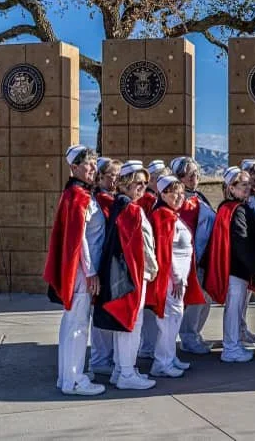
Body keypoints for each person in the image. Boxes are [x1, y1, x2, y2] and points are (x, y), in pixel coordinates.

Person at [42, 145, 106, 396]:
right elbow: (79, 240)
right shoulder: (78, 196)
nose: (92, 168)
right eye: (88, 164)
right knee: (78, 325)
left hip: (81, 271)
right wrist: (90, 272)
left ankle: (66, 376)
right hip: (82, 273)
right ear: (74, 167)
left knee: (72, 323)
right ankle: (75, 380)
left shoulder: (78, 194)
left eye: (93, 163)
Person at [92, 161, 157, 389]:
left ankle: (121, 370)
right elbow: (142, 246)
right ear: (126, 184)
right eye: (138, 183)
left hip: (125, 274)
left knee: (125, 324)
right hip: (133, 275)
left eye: (145, 184)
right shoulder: (131, 209)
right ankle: (127, 373)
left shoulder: (121, 205)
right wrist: (152, 268)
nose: (143, 188)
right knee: (132, 323)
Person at [204, 167, 255, 363]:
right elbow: (241, 241)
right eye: (243, 185)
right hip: (236, 269)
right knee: (234, 308)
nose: (247, 188)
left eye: (248, 184)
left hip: (236, 268)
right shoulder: (235, 210)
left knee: (235, 308)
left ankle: (234, 344)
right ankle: (231, 347)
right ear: (231, 187)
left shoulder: (231, 208)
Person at [147, 176, 199, 378]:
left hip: (178, 279)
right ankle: (162, 362)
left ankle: (169, 356)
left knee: (174, 320)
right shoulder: (163, 215)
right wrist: (176, 277)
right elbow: (165, 249)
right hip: (172, 281)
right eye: (173, 192)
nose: (179, 196)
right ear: (162, 194)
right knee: (169, 320)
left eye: (181, 192)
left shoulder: (171, 214)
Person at [171, 156, 216, 355]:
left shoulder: (199, 197)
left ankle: (195, 334)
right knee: (194, 300)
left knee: (205, 298)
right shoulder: (181, 202)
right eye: (188, 175)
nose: (193, 178)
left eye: (196, 174)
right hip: (191, 259)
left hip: (206, 256)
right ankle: (188, 337)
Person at [88, 156, 121, 376]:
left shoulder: (107, 198)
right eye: (113, 176)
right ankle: (100, 357)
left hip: (103, 260)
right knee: (99, 310)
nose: (116, 180)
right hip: (98, 261)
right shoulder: (103, 200)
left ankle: (103, 356)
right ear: (101, 177)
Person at [137, 159, 169, 359]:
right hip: (149, 259)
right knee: (149, 307)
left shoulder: (154, 200)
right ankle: (148, 346)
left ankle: (151, 345)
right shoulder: (147, 201)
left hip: (155, 258)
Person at [238, 158, 255, 346]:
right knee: (239, 299)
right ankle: (238, 332)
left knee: (246, 298)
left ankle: (243, 328)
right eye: (253, 174)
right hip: (244, 259)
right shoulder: (244, 200)